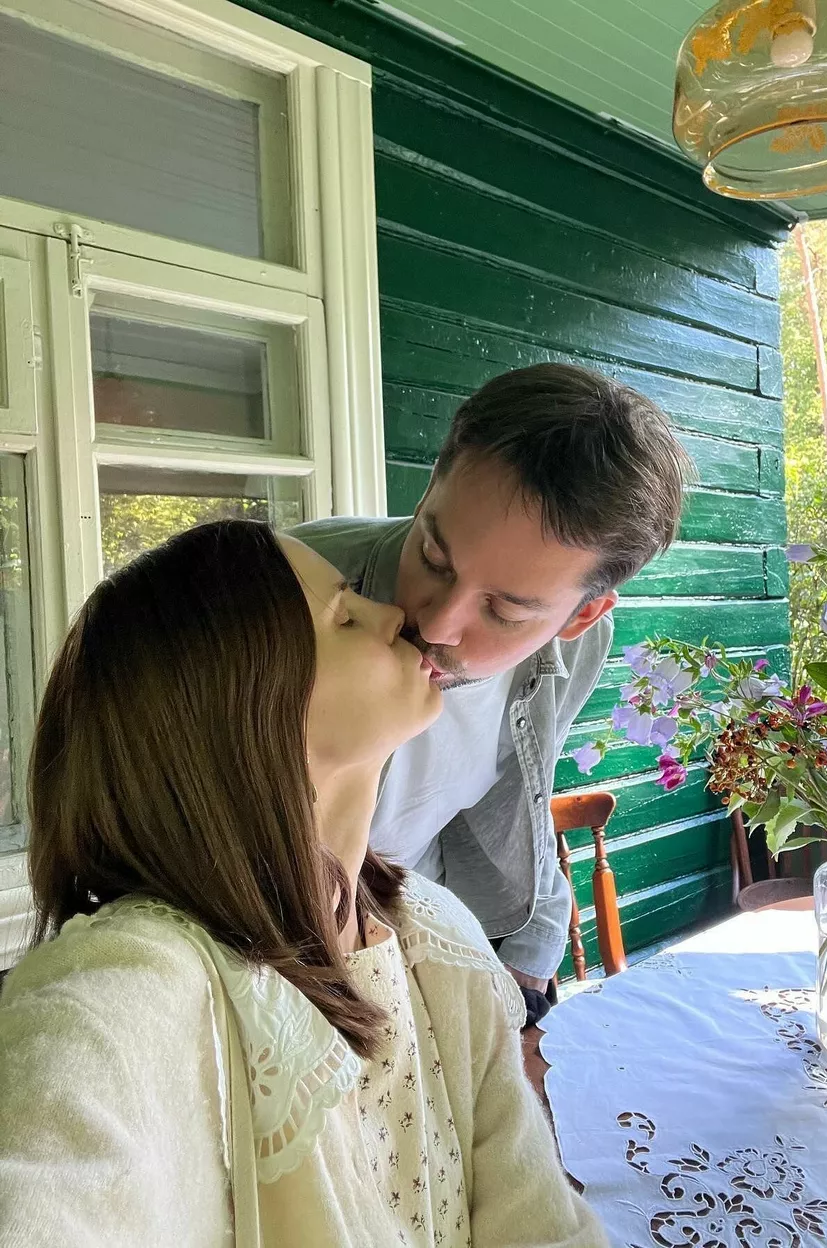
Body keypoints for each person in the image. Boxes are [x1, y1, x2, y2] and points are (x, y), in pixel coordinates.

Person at [0, 520, 608, 1248]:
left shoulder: (438, 938)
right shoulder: (135, 984)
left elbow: (540, 1223)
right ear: (240, 706)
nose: (395, 616)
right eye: (344, 615)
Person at [292, 363, 688, 1021]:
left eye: (503, 610)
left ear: (579, 617)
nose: (435, 625)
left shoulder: (580, 644)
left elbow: (519, 789)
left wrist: (527, 952)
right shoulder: (289, 595)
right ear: (430, 488)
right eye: (433, 558)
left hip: (449, 940)